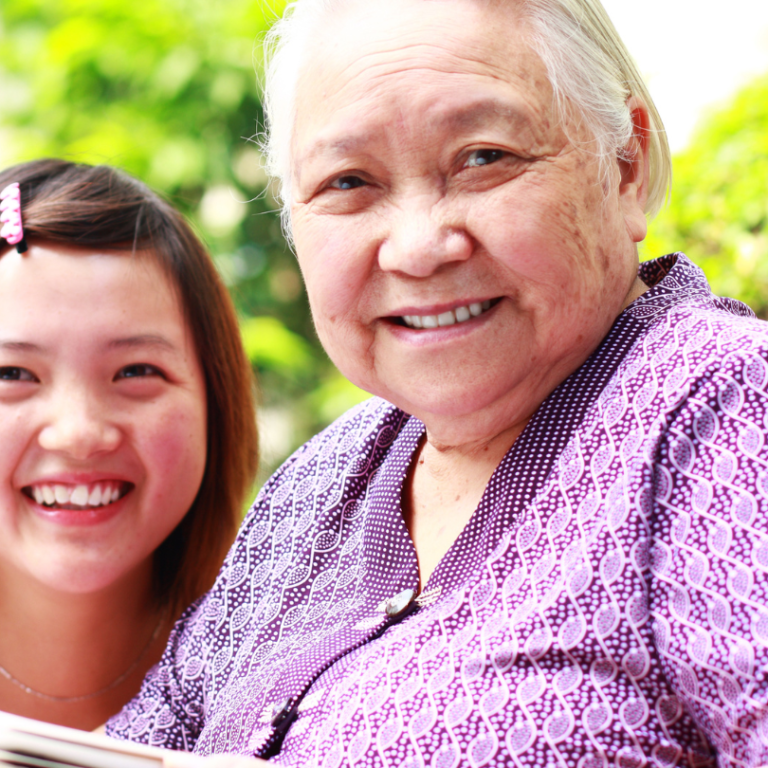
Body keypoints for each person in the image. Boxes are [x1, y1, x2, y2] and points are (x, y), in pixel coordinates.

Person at [107, 0, 768, 765]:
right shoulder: (321, 482)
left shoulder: (727, 406)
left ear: (625, 166)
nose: (418, 248)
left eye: (484, 157)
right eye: (349, 180)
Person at [0, 159, 258, 731]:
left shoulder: (290, 668)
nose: (79, 433)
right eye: (12, 374)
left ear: (215, 399)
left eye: (136, 370)